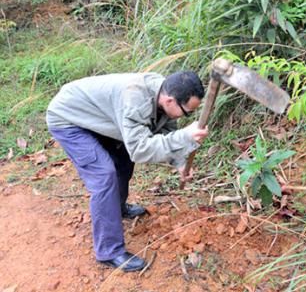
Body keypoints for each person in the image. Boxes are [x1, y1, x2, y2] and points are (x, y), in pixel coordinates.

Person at [46, 71, 209, 272]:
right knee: (104, 175)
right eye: (187, 113)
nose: (188, 117)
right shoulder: (135, 99)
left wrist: (180, 163)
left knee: (123, 160)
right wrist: (185, 136)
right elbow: (140, 150)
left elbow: (165, 134)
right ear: (169, 100)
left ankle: (117, 207)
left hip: (102, 119)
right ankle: (109, 251)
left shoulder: (164, 94)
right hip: (69, 119)